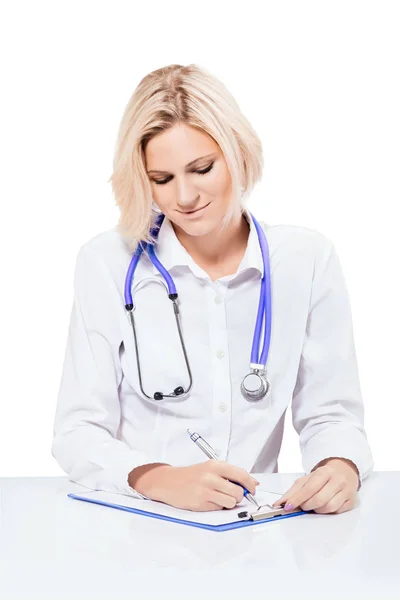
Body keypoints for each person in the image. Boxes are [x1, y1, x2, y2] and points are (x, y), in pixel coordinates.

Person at [51, 63, 373, 515]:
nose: (183, 196)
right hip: (142, 528)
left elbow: (332, 414)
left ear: (237, 152)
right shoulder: (108, 262)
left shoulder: (306, 259)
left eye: (201, 168)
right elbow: (77, 431)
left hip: (259, 528)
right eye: (161, 179)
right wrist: (158, 479)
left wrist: (339, 466)